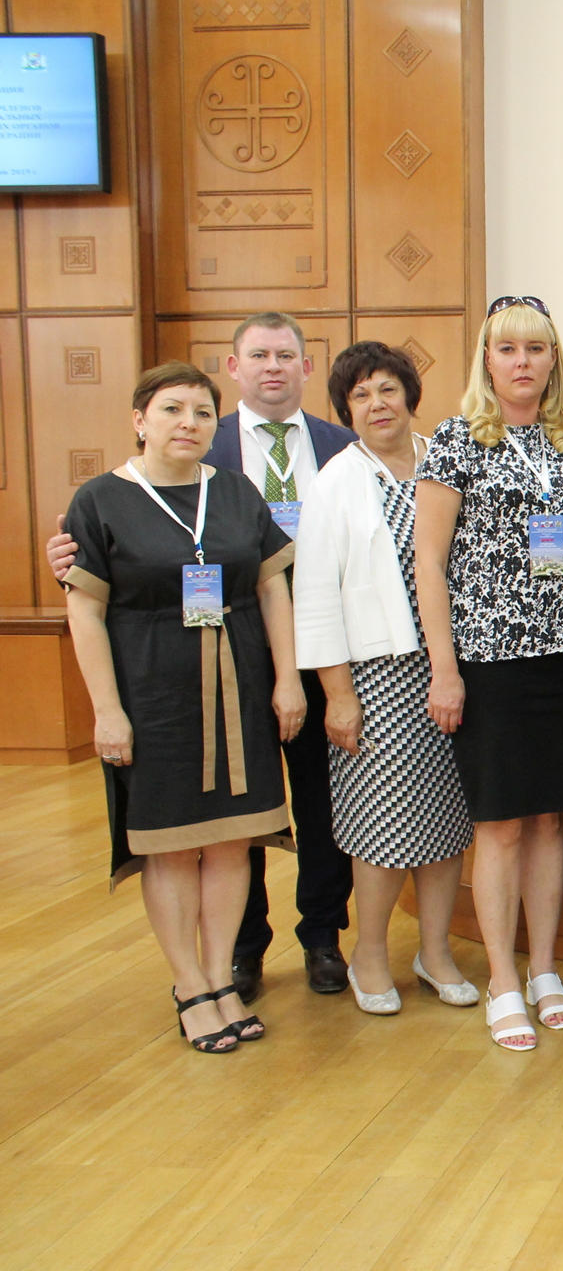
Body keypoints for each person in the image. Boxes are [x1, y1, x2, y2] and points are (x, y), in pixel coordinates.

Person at [49, 312, 357, 1001]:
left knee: (315, 803)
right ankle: (237, 958)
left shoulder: (340, 447)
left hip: (314, 649)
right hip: (188, 669)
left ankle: (322, 936)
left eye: (286, 355)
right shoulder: (164, 470)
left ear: (306, 367)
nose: (273, 366)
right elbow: (107, 577)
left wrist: (293, 677)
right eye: (259, 355)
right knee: (216, 823)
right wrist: (68, 564)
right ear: (235, 367)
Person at [63, 361, 305, 1052]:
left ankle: (222, 976)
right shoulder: (100, 500)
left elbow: (271, 589)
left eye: (202, 412)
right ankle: (189, 985)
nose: (188, 423)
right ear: (140, 420)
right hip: (153, 697)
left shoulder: (234, 491)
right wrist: (107, 711)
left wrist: (287, 679)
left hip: (240, 689)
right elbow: (85, 611)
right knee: (170, 849)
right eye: (172, 409)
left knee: (231, 842)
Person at [416, 296, 563, 1051]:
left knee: (549, 819)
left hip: (561, 660)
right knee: (499, 825)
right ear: (486, 360)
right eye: (507, 348)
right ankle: (500, 978)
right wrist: (444, 670)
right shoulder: (456, 440)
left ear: (554, 359)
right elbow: (428, 563)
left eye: (535, 348)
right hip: (487, 662)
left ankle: (544, 968)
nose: (522, 361)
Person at [294, 342, 477, 1016]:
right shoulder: (336, 481)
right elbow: (315, 595)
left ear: (410, 396)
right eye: (361, 395)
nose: (377, 404)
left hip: (452, 671)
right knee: (381, 821)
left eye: (388, 390)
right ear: (346, 409)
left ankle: (435, 953)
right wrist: (338, 695)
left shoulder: (443, 459)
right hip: (376, 679)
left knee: (449, 820)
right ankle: (369, 955)